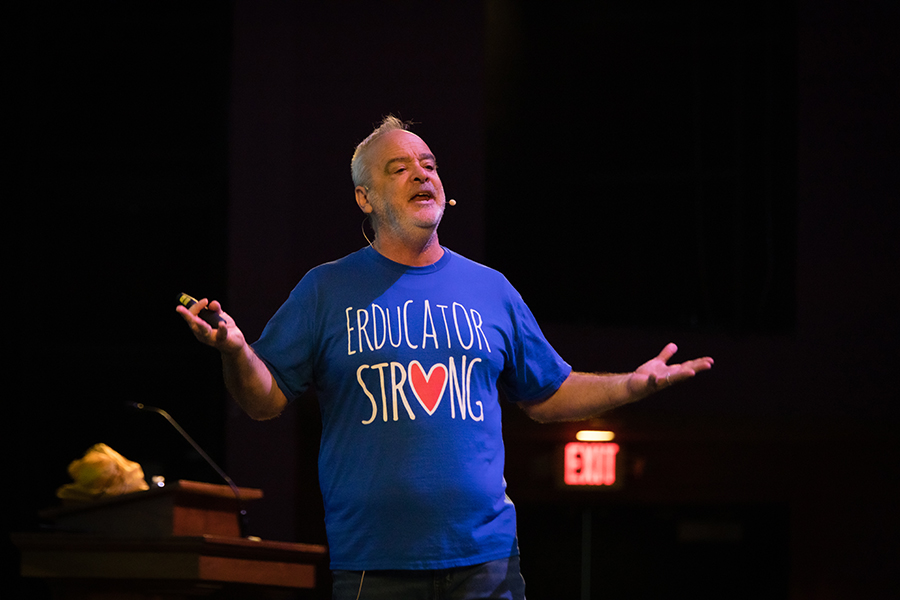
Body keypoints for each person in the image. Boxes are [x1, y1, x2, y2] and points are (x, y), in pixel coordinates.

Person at [177, 116, 714, 599]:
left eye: (428, 165)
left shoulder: (490, 289)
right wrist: (237, 351)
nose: (421, 174)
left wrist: (630, 386)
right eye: (399, 167)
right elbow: (264, 400)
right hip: (375, 565)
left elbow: (547, 393)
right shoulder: (325, 290)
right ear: (365, 198)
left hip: (486, 564)